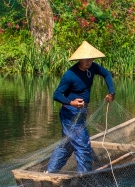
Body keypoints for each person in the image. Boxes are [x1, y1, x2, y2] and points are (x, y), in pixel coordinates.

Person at [46, 41, 115, 173]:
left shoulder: (92, 68)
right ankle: (85, 177)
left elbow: (106, 74)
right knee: (83, 146)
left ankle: (50, 172)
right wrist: (71, 102)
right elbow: (56, 95)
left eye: (91, 59)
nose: (89, 62)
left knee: (67, 145)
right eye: (86, 60)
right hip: (70, 113)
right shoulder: (70, 75)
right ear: (80, 60)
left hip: (81, 111)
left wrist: (111, 92)